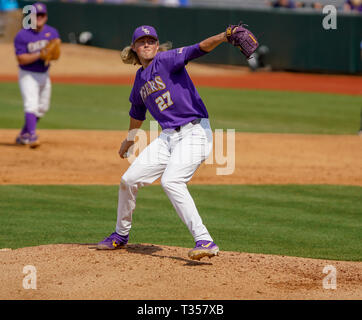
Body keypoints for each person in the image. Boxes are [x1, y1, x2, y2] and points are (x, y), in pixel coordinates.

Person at [97, 25, 230, 260]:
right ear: (134, 49)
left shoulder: (167, 60)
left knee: (171, 181)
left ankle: (205, 240)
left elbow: (198, 49)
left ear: (157, 46)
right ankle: (120, 235)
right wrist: (129, 140)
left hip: (195, 132)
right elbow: (137, 112)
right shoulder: (139, 78)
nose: (146, 44)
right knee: (128, 180)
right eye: (141, 41)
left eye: (151, 41)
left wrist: (223, 36)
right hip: (168, 137)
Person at [14, 2, 61, 148]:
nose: (39, 18)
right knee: (31, 104)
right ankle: (32, 136)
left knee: (42, 107)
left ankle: (24, 134)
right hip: (28, 74)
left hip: (44, 74)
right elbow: (21, 59)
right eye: (36, 15)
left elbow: (55, 54)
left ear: (46, 17)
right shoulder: (22, 35)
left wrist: (50, 54)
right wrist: (40, 54)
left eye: (42, 15)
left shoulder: (52, 32)